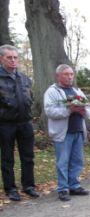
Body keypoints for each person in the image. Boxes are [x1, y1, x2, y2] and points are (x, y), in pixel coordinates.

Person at [44, 64, 90, 201]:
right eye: (66, 74)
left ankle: (74, 186)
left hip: (78, 130)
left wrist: (84, 111)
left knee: (77, 161)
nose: (70, 77)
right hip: (63, 133)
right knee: (63, 162)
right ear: (58, 76)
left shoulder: (77, 90)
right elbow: (50, 111)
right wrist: (69, 110)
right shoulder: (52, 92)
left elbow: (88, 107)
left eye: (71, 74)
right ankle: (63, 188)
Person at [0, 44, 39, 201]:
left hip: (25, 122)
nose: (13, 60)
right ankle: (10, 189)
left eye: (15, 57)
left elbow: (30, 97)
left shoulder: (24, 78)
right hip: (5, 124)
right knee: (7, 158)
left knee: (28, 156)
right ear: (1, 58)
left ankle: (29, 186)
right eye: (9, 57)